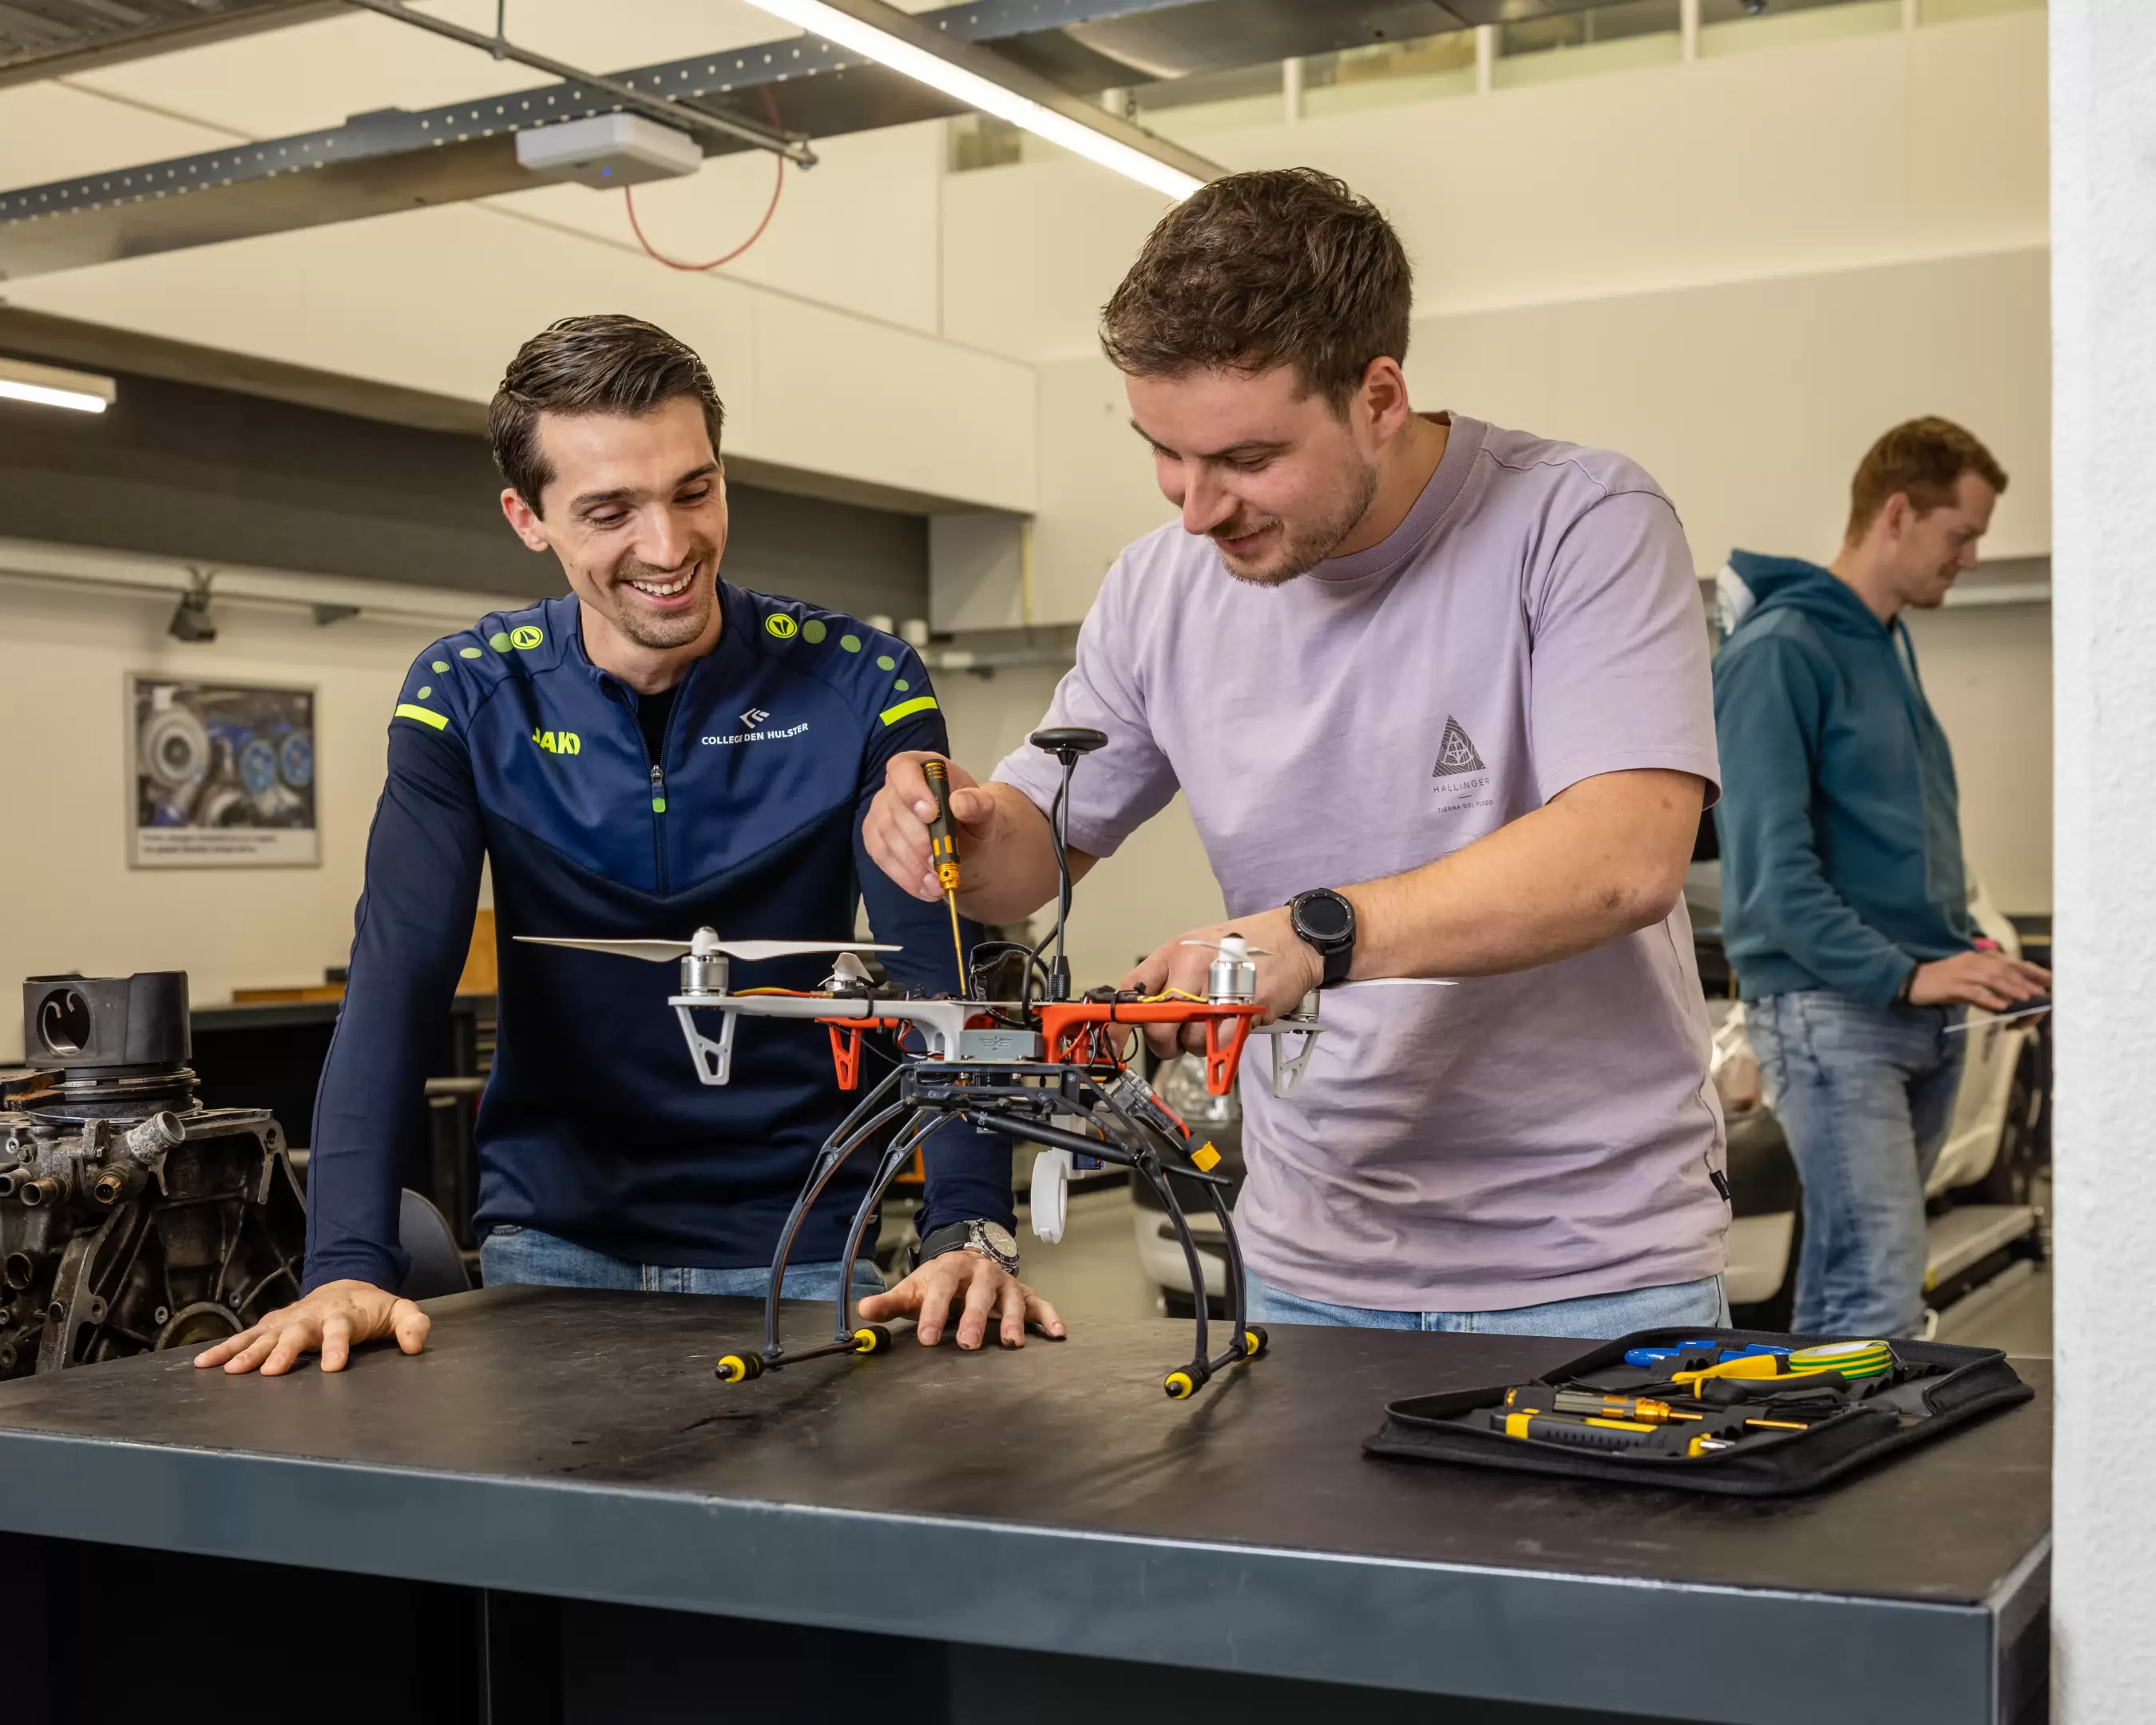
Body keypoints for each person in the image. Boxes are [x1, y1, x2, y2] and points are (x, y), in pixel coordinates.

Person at [863, 169, 1729, 1339]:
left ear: (1379, 395)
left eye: (1248, 459)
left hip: (1592, 1262)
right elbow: (1028, 856)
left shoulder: (1578, 522)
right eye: (1163, 452)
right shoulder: (1159, 589)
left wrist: (1315, 937)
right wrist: (948, 829)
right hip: (1305, 1256)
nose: (1196, 508)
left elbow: (1623, 860)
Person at [198, 315, 1060, 1377]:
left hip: (800, 1246)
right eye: (610, 511)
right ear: (528, 516)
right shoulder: (467, 694)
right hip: (547, 1247)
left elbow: (935, 975)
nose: (668, 546)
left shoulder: (862, 682)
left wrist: (966, 1229)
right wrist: (342, 1264)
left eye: (694, 491)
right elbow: (398, 982)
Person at [1712, 417, 2049, 1338]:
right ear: (1896, 513)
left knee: (1853, 1297)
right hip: (1835, 1014)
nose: (1973, 558)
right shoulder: (1781, 652)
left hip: (1911, 1015)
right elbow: (1771, 881)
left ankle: (1824, 1473)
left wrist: (1962, 949)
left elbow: (1890, 845)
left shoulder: (1884, 644)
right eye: (1962, 534)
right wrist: (1905, 973)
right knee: (1876, 1299)